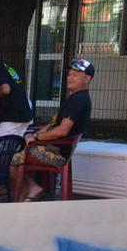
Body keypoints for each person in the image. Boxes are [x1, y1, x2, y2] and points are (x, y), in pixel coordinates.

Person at [16, 59, 93, 201]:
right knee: (14, 149)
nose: (70, 77)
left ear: (87, 79)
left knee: (8, 156)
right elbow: (53, 124)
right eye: (70, 74)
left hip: (55, 152)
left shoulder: (78, 100)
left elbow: (61, 131)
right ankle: (30, 189)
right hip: (53, 148)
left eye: (75, 75)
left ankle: (26, 193)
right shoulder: (76, 98)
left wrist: (35, 138)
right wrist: (35, 135)